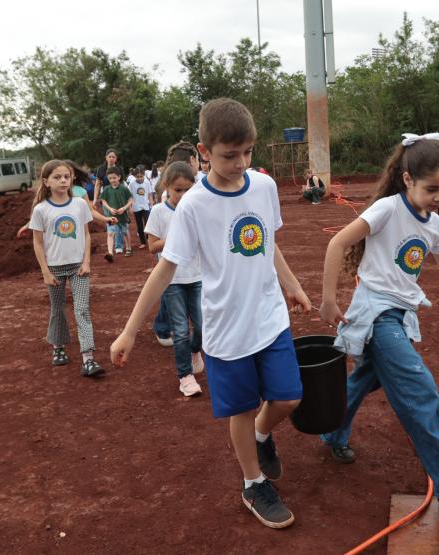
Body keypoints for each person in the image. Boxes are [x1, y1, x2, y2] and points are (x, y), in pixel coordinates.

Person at [111, 98, 310, 529]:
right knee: (241, 409)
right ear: (204, 152)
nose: (241, 164)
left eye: (248, 152)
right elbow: (165, 270)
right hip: (226, 330)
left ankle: (261, 435)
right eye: (229, 155)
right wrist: (129, 331)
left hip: (269, 317)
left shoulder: (264, 187)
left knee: (289, 397)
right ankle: (253, 483)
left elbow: (268, 244)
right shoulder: (194, 206)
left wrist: (291, 284)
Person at [319, 133, 439, 522]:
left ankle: (331, 431)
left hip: (400, 314)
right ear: (407, 179)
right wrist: (328, 300)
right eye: (431, 189)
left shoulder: (435, 226)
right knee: (420, 391)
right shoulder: (387, 209)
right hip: (377, 315)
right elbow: (337, 243)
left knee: (366, 379)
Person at [28, 160, 105, 378]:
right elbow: (37, 243)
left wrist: (86, 262)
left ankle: (88, 358)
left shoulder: (79, 204)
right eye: (57, 177)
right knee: (58, 308)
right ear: (46, 182)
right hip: (54, 268)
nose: (63, 181)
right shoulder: (40, 210)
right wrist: (45, 272)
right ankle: (58, 347)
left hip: (78, 267)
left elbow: (86, 234)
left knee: (82, 309)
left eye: (66, 177)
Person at [144, 161, 205, 396]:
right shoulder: (159, 212)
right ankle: (185, 376)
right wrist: (176, 238)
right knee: (180, 329)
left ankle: (195, 351)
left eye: (188, 189)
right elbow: (152, 246)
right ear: (166, 187)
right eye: (178, 190)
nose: (183, 194)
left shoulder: (197, 210)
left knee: (201, 326)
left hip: (197, 276)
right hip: (172, 280)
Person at [16, 162, 115, 239]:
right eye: (58, 176)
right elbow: (41, 213)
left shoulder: (81, 192)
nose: (63, 179)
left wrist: (106, 219)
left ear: (74, 176)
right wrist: (28, 225)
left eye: (67, 175)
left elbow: (91, 211)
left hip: (76, 232)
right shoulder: (54, 192)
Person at [99, 166, 133, 260]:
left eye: (114, 178)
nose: (112, 180)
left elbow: (130, 200)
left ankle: (129, 248)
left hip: (122, 215)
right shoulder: (106, 189)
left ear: (119, 177)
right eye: (110, 178)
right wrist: (110, 209)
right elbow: (103, 201)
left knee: (125, 232)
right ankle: (110, 253)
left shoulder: (124, 188)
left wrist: (124, 208)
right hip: (111, 216)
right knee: (110, 233)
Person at [129, 166, 152, 249]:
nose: (139, 178)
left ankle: (149, 239)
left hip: (146, 206)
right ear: (135, 176)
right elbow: (130, 196)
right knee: (140, 226)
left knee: (148, 224)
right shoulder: (132, 183)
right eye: (137, 176)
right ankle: (143, 242)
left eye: (141, 176)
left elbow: (149, 194)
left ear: (144, 175)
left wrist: (151, 204)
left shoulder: (147, 182)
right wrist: (130, 206)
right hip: (136, 207)